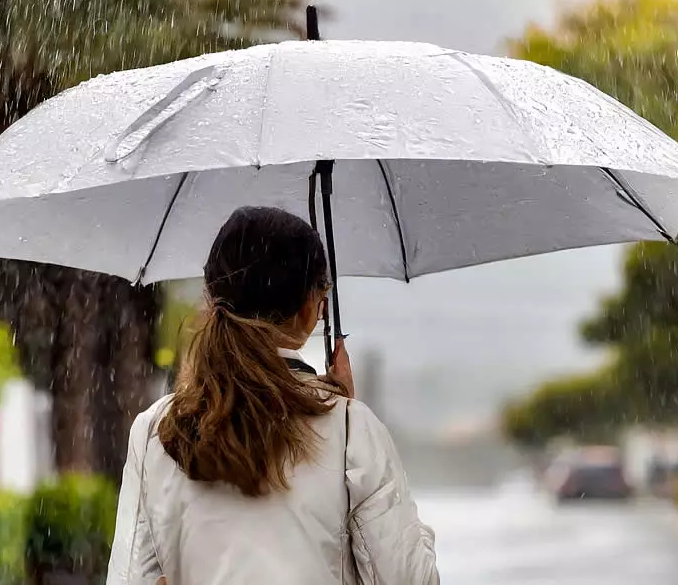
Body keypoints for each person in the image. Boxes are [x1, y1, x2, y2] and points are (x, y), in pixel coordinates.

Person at [107, 206, 439, 585]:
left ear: (211, 299)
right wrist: (343, 414)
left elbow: (130, 578)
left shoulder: (155, 429)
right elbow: (409, 579)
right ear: (310, 310)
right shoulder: (350, 429)